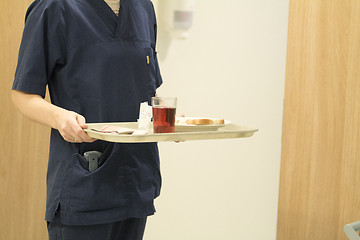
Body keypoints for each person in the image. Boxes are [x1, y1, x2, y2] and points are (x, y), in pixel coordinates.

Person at [11, 0, 163, 239]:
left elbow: (147, 88)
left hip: (136, 182)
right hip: (86, 184)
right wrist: (60, 117)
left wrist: (167, 119)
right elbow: (22, 95)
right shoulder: (53, 8)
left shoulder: (143, 8)